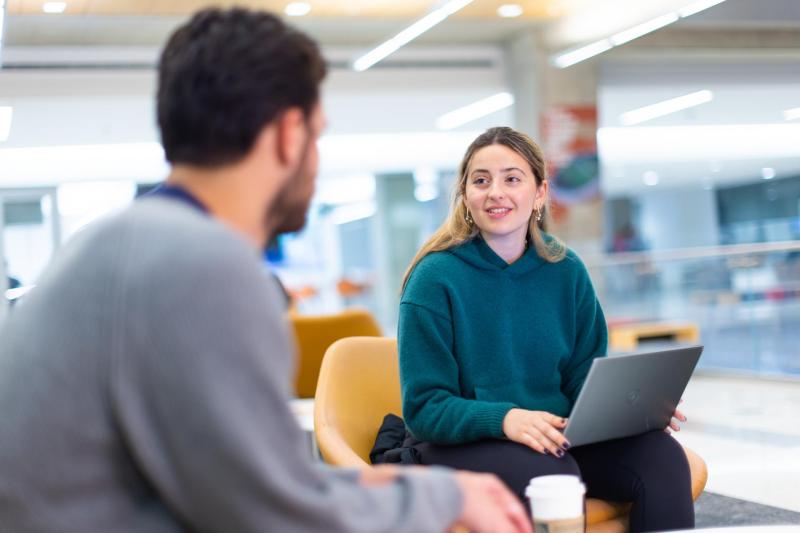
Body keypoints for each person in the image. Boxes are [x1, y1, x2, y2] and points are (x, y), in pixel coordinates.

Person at [0, 9, 532, 533]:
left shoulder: (113, 244)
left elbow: (253, 482)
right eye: (317, 137)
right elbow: (276, 515)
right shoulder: (205, 268)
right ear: (288, 134)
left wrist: (432, 492)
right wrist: (440, 502)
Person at [398, 127, 694, 533]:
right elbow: (424, 408)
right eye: (481, 180)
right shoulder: (433, 278)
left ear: (539, 194)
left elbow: (582, 376)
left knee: (663, 458)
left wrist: (630, 411)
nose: (495, 192)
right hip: (464, 441)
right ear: (466, 196)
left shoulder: (565, 269)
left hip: (554, 436)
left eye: (512, 179)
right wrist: (506, 419)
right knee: (554, 477)